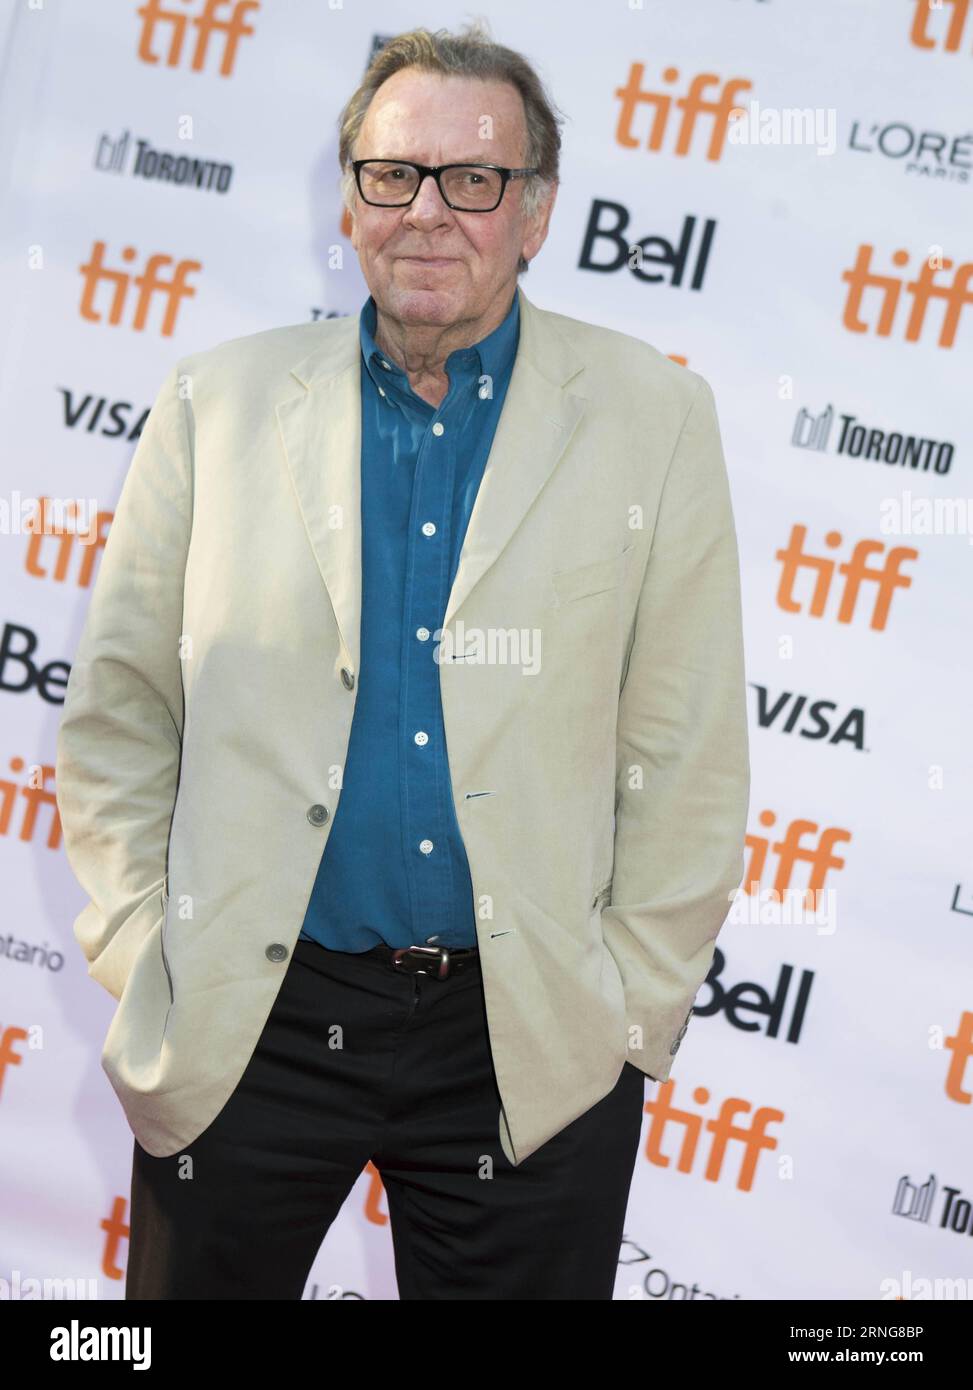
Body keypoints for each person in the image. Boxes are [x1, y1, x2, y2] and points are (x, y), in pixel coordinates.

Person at [55, 23, 750, 1301]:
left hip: (527, 1045)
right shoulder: (217, 403)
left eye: (474, 180)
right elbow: (121, 719)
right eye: (393, 174)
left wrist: (624, 1015)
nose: (429, 211)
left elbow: (686, 750)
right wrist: (147, 946)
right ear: (348, 199)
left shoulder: (654, 418)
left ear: (535, 211)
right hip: (249, 1026)